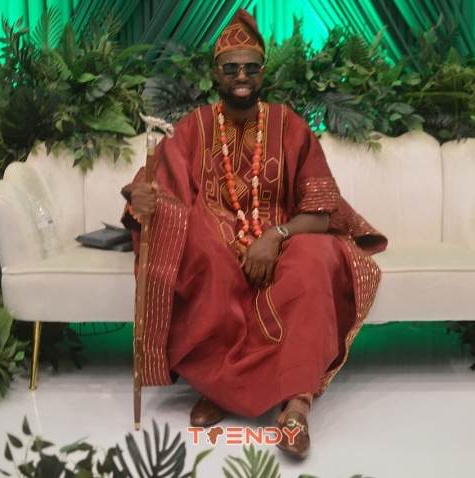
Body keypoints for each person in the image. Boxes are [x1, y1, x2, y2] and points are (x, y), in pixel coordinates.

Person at [121, 9, 387, 459]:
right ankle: (220, 390)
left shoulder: (290, 125)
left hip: (284, 241)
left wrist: (274, 235)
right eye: (231, 68)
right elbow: (157, 190)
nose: (241, 76)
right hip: (217, 246)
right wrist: (143, 201)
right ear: (216, 74)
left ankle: (295, 410)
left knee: (314, 260)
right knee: (205, 250)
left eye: (250, 67)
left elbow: (320, 213)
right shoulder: (194, 128)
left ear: (263, 72)